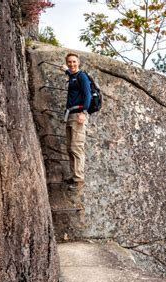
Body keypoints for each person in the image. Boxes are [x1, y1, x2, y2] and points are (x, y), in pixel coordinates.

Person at [61, 53, 91, 191]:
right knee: (70, 148)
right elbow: (70, 73)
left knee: (76, 147)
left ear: (78, 62)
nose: (72, 64)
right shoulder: (73, 76)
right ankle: (74, 176)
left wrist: (84, 112)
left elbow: (88, 95)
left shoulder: (82, 76)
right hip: (71, 115)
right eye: (69, 62)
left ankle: (79, 181)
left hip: (79, 115)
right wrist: (66, 71)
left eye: (74, 62)